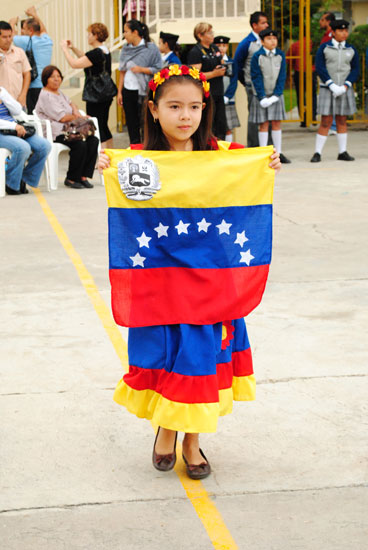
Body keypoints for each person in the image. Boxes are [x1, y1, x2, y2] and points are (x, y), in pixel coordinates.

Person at [98, 65, 281, 479]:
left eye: (195, 107)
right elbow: (126, 204)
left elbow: (255, 172)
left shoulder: (225, 157)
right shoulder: (139, 162)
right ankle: (166, 428)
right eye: (175, 106)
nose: (186, 116)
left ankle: (192, 441)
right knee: (168, 355)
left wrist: (266, 162)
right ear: (154, 109)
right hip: (161, 282)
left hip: (210, 283)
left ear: (205, 109)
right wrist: (107, 165)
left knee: (201, 357)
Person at [36, 65, 99, 189]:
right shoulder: (46, 95)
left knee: (93, 141)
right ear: (45, 79)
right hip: (56, 132)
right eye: (52, 77)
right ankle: (71, 178)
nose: (56, 79)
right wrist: (78, 117)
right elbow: (62, 118)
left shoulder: (59, 93)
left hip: (69, 130)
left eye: (58, 76)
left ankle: (83, 176)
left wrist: (75, 111)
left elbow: (71, 103)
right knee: (80, 143)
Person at [311, 20, 359, 163]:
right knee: (325, 120)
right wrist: (331, 84)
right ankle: (317, 152)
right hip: (328, 88)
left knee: (342, 119)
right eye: (341, 31)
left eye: (346, 30)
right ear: (333, 32)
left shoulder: (351, 49)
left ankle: (342, 151)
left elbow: (355, 69)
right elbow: (320, 67)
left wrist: (346, 85)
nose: (344, 33)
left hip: (344, 88)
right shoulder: (325, 48)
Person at [60, 22, 114, 148]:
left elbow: (74, 64)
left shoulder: (95, 53)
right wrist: (73, 48)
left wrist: (64, 49)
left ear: (95, 36)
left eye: (89, 34)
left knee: (97, 125)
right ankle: (111, 152)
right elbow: (86, 57)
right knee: (103, 124)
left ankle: (102, 156)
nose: (87, 36)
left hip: (96, 94)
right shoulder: (104, 51)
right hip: (105, 93)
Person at [118, 20, 162, 145]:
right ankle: (134, 147)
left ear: (135, 32)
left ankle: (146, 146)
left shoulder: (151, 48)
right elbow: (122, 71)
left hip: (145, 90)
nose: (124, 35)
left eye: (126, 31)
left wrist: (141, 69)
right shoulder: (125, 49)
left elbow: (158, 68)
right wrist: (119, 92)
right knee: (131, 122)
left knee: (145, 121)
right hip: (128, 89)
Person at [0, 85, 51, 195]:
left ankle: (24, 178)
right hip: (4, 131)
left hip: (14, 129)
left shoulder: (2, 90)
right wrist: (13, 126)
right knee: (23, 147)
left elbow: (17, 110)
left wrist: (2, 94)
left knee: (44, 146)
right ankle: (11, 184)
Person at [250, 28, 291, 164]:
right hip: (261, 95)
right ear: (262, 41)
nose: (272, 41)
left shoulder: (280, 55)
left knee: (276, 123)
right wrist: (262, 97)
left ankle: (278, 153)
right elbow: (256, 77)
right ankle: (263, 153)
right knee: (264, 124)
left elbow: (282, 76)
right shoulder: (258, 56)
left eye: (274, 38)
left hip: (275, 95)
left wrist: (277, 95)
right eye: (268, 39)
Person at [232, 11, 269, 147]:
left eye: (266, 22)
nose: (267, 25)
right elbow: (238, 64)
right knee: (254, 117)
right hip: (252, 86)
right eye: (263, 23)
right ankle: (253, 146)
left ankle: (271, 148)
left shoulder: (268, 40)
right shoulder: (247, 43)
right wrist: (246, 81)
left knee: (269, 118)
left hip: (267, 86)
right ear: (254, 25)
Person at [187, 22, 227, 140]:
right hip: (206, 93)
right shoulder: (196, 52)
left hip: (219, 91)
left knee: (221, 124)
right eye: (209, 33)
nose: (212, 35)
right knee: (209, 125)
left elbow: (220, 63)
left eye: (212, 32)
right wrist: (213, 74)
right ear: (200, 35)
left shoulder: (214, 48)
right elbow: (195, 75)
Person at [10, 6, 53, 114]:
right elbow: (43, 29)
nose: (22, 31)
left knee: (34, 116)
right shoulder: (47, 40)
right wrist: (34, 15)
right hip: (46, 85)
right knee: (45, 116)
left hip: (34, 86)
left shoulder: (28, 41)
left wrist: (12, 23)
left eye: (23, 29)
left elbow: (10, 36)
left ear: (31, 30)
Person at [214, 35, 240, 142]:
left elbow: (234, 81)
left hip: (227, 99)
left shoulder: (232, 62)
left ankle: (228, 149)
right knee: (215, 128)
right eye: (218, 45)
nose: (221, 48)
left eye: (224, 45)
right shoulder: (213, 61)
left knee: (228, 127)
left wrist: (228, 96)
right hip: (215, 97)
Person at [286, 38, 317, 127]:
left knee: (301, 96)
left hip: (299, 72)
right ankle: (313, 116)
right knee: (312, 95)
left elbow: (290, 61)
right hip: (311, 71)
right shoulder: (312, 44)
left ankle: (303, 119)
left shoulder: (295, 45)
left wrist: (288, 74)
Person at [0, 21, 31, 109]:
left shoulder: (19, 52)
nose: (8, 40)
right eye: (4, 37)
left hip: (18, 101)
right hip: (1, 104)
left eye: (10, 36)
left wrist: (23, 95)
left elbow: (27, 73)